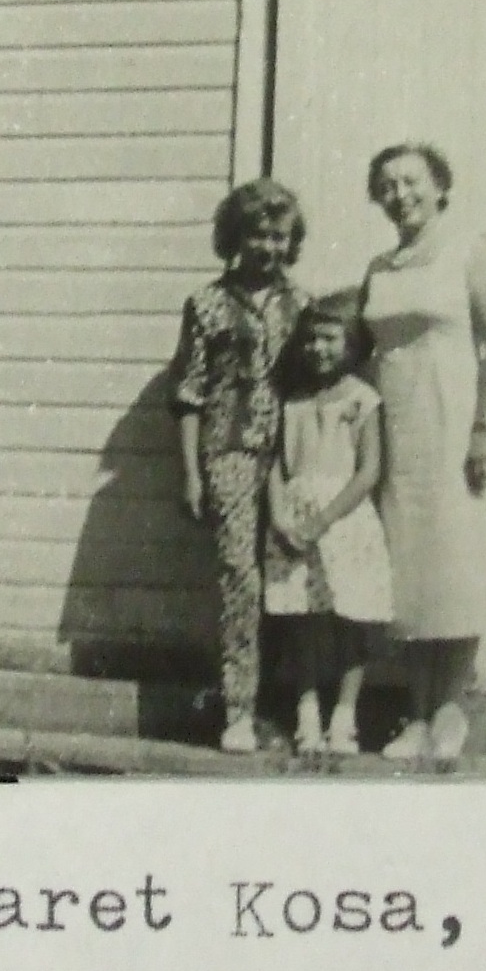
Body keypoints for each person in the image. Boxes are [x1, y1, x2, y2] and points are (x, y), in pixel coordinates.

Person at [360, 141, 486, 764]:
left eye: (412, 181)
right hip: (396, 423)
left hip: (450, 417)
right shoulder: (381, 266)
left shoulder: (468, 247)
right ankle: (415, 715)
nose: (402, 194)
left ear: (440, 186)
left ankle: (449, 709)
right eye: (389, 185)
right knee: (409, 565)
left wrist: (485, 428)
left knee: (454, 558)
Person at [171, 179, 308, 754]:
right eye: (258, 234)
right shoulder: (205, 304)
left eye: (280, 237)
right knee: (239, 576)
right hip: (228, 451)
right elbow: (188, 393)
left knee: (292, 577)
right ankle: (237, 709)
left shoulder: (300, 303)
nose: (269, 247)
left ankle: (294, 706)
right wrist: (191, 473)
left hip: (293, 453)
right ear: (235, 237)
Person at [263, 292, 394, 755]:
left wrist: (324, 519)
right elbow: (277, 466)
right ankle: (306, 712)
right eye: (310, 339)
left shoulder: (362, 400)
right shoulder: (291, 401)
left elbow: (369, 472)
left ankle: (344, 715)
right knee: (301, 619)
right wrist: (281, 517)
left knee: (351, 618)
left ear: (352, 343)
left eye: (329, 338)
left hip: (344, 521)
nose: (318, 348)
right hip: (294, 522)